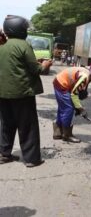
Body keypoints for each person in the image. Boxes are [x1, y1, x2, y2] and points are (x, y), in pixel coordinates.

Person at [0, 15, 52, 167]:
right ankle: (31, 159)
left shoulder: (3, 47)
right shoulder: (24, 45)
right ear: (19, 29)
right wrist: (46, 64)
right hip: (22, 93)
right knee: (27, 126)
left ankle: (4, 154)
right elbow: (36, 69)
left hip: (3, 94)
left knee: (6, 125)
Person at [52, 62, 91, 143]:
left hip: (61, 83)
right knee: (68, 109)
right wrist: (80, 109)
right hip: (61, 84)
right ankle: (67, 135)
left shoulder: (88, 74)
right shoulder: (85, 76)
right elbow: (74, 94)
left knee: (63, 108)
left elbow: (76, 91)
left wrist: (77, 106)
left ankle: (57, 132)